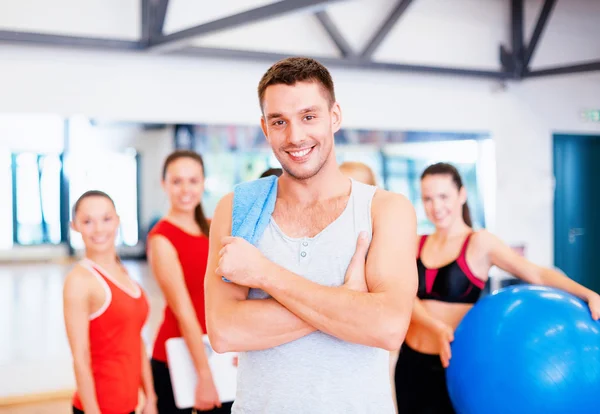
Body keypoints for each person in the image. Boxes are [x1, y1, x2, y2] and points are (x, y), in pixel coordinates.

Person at [204, 57, 418, 413]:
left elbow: (387, 326)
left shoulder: (385, 210)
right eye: (279, 122)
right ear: (264, 127)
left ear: (334, 116)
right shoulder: (239, 208)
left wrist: (264, 274)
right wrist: (348, 304)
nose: (295, 136)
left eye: (308, 116)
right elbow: (226, 332)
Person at [393, 161, 600, 414]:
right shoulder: (416, 242)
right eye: (428, 198)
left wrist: (587, 293)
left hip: (456, 368)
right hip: (410, 363)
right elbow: (402, 293)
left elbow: (535, 272)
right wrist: (435, 326)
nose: (436, 207)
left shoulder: (480, 243)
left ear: (462, 194)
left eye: (443, 196)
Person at [147, 150, 234, 413]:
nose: (186, 189)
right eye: (177, 181)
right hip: (178, 359)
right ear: (164, 185)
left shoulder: (213, 226)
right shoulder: (161, 238)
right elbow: (184, 312)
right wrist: (204, 375)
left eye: (193, 181)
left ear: (203, 183)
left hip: (218, 351)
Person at [63, 190, 156, 414]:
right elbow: (80, 358)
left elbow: (136, 340)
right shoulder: (79, 281)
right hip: (99, 408)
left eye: (106, 219)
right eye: (87, 221)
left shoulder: (121, 270)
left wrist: (151, 397)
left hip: (129, 405)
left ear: (117, 220)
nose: (99, 229)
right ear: (74, 225)